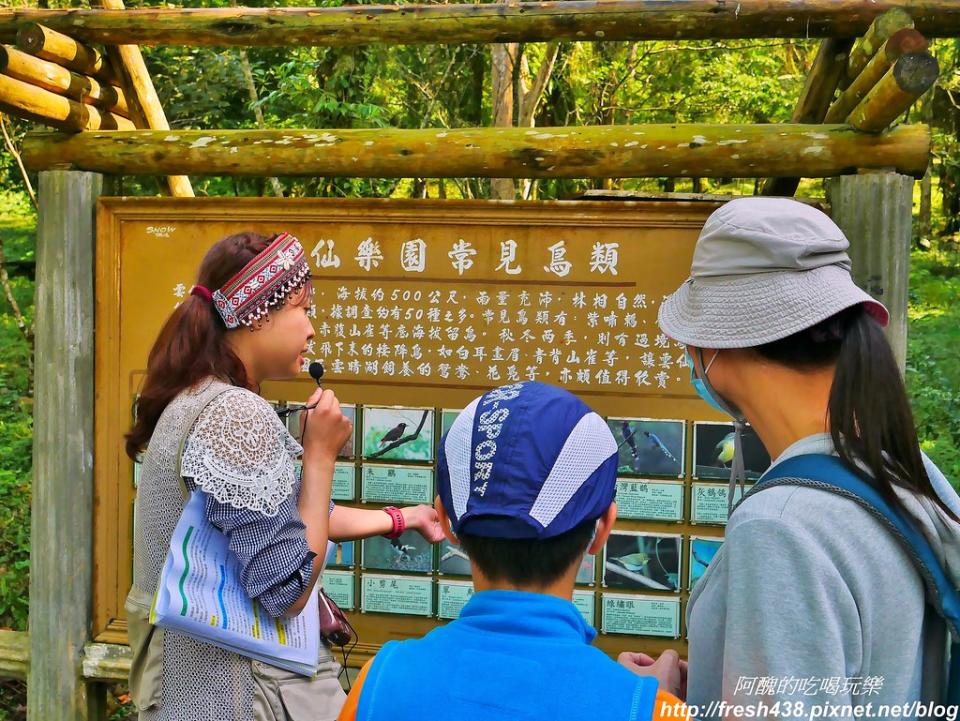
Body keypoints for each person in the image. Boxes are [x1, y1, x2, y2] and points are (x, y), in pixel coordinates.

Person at [657, 197, 960, 717]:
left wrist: (659, 705)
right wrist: (713, 679)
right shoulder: (902, 473)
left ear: (720, 343)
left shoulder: (779, 528)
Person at [123, 231, 444, 721]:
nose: (311, 329)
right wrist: (320, 456)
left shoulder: (202, 398)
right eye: (303, 308)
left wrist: (403, 517)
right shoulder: (234, 414)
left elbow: (292, 519)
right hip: (232, 697)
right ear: (257, 313)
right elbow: (288, 587)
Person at [337, 381, 690, 721]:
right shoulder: (648, 709)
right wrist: (645, 699)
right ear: (603, 529)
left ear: (445, 522)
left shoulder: (377, 683)